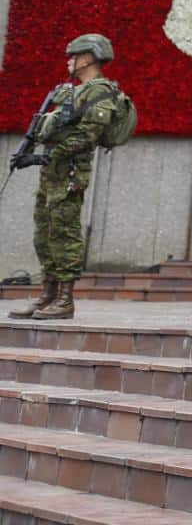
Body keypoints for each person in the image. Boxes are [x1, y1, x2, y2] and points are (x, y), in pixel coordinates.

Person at [6, 35, 130, 322]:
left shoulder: (99, 92)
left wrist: (45, 156)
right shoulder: (71, 91)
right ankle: (47, 295)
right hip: (53, 171)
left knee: (65, 233)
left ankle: (65, 299)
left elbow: (88, 136)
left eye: (74, 56)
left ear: (88, 58)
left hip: (70, 171)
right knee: (44, 233)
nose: (69, 61)